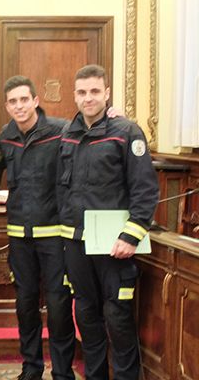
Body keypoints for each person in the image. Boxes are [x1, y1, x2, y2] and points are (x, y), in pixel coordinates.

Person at [57, 64, 158, 380]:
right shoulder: (67, 135)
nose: (89, 98)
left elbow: (145, 188)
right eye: (83, 92)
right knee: (86, 317)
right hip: (76, 242)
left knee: (117, 318)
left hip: (116, 246)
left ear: (107, 93)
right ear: (75, 95)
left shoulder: (127, 132)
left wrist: (131, 235)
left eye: (95, 92)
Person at [0, 76, 75, 380]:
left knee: (57, 306)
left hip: (54, 235)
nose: (19, 106)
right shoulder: (5, 137)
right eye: (13, 101)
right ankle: (31, 367)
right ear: (7, 106)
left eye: (23, 99)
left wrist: (113, 116)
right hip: (19, 236)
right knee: (25, 305)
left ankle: (63, 371)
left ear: (35, 100)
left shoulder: (61, 131)